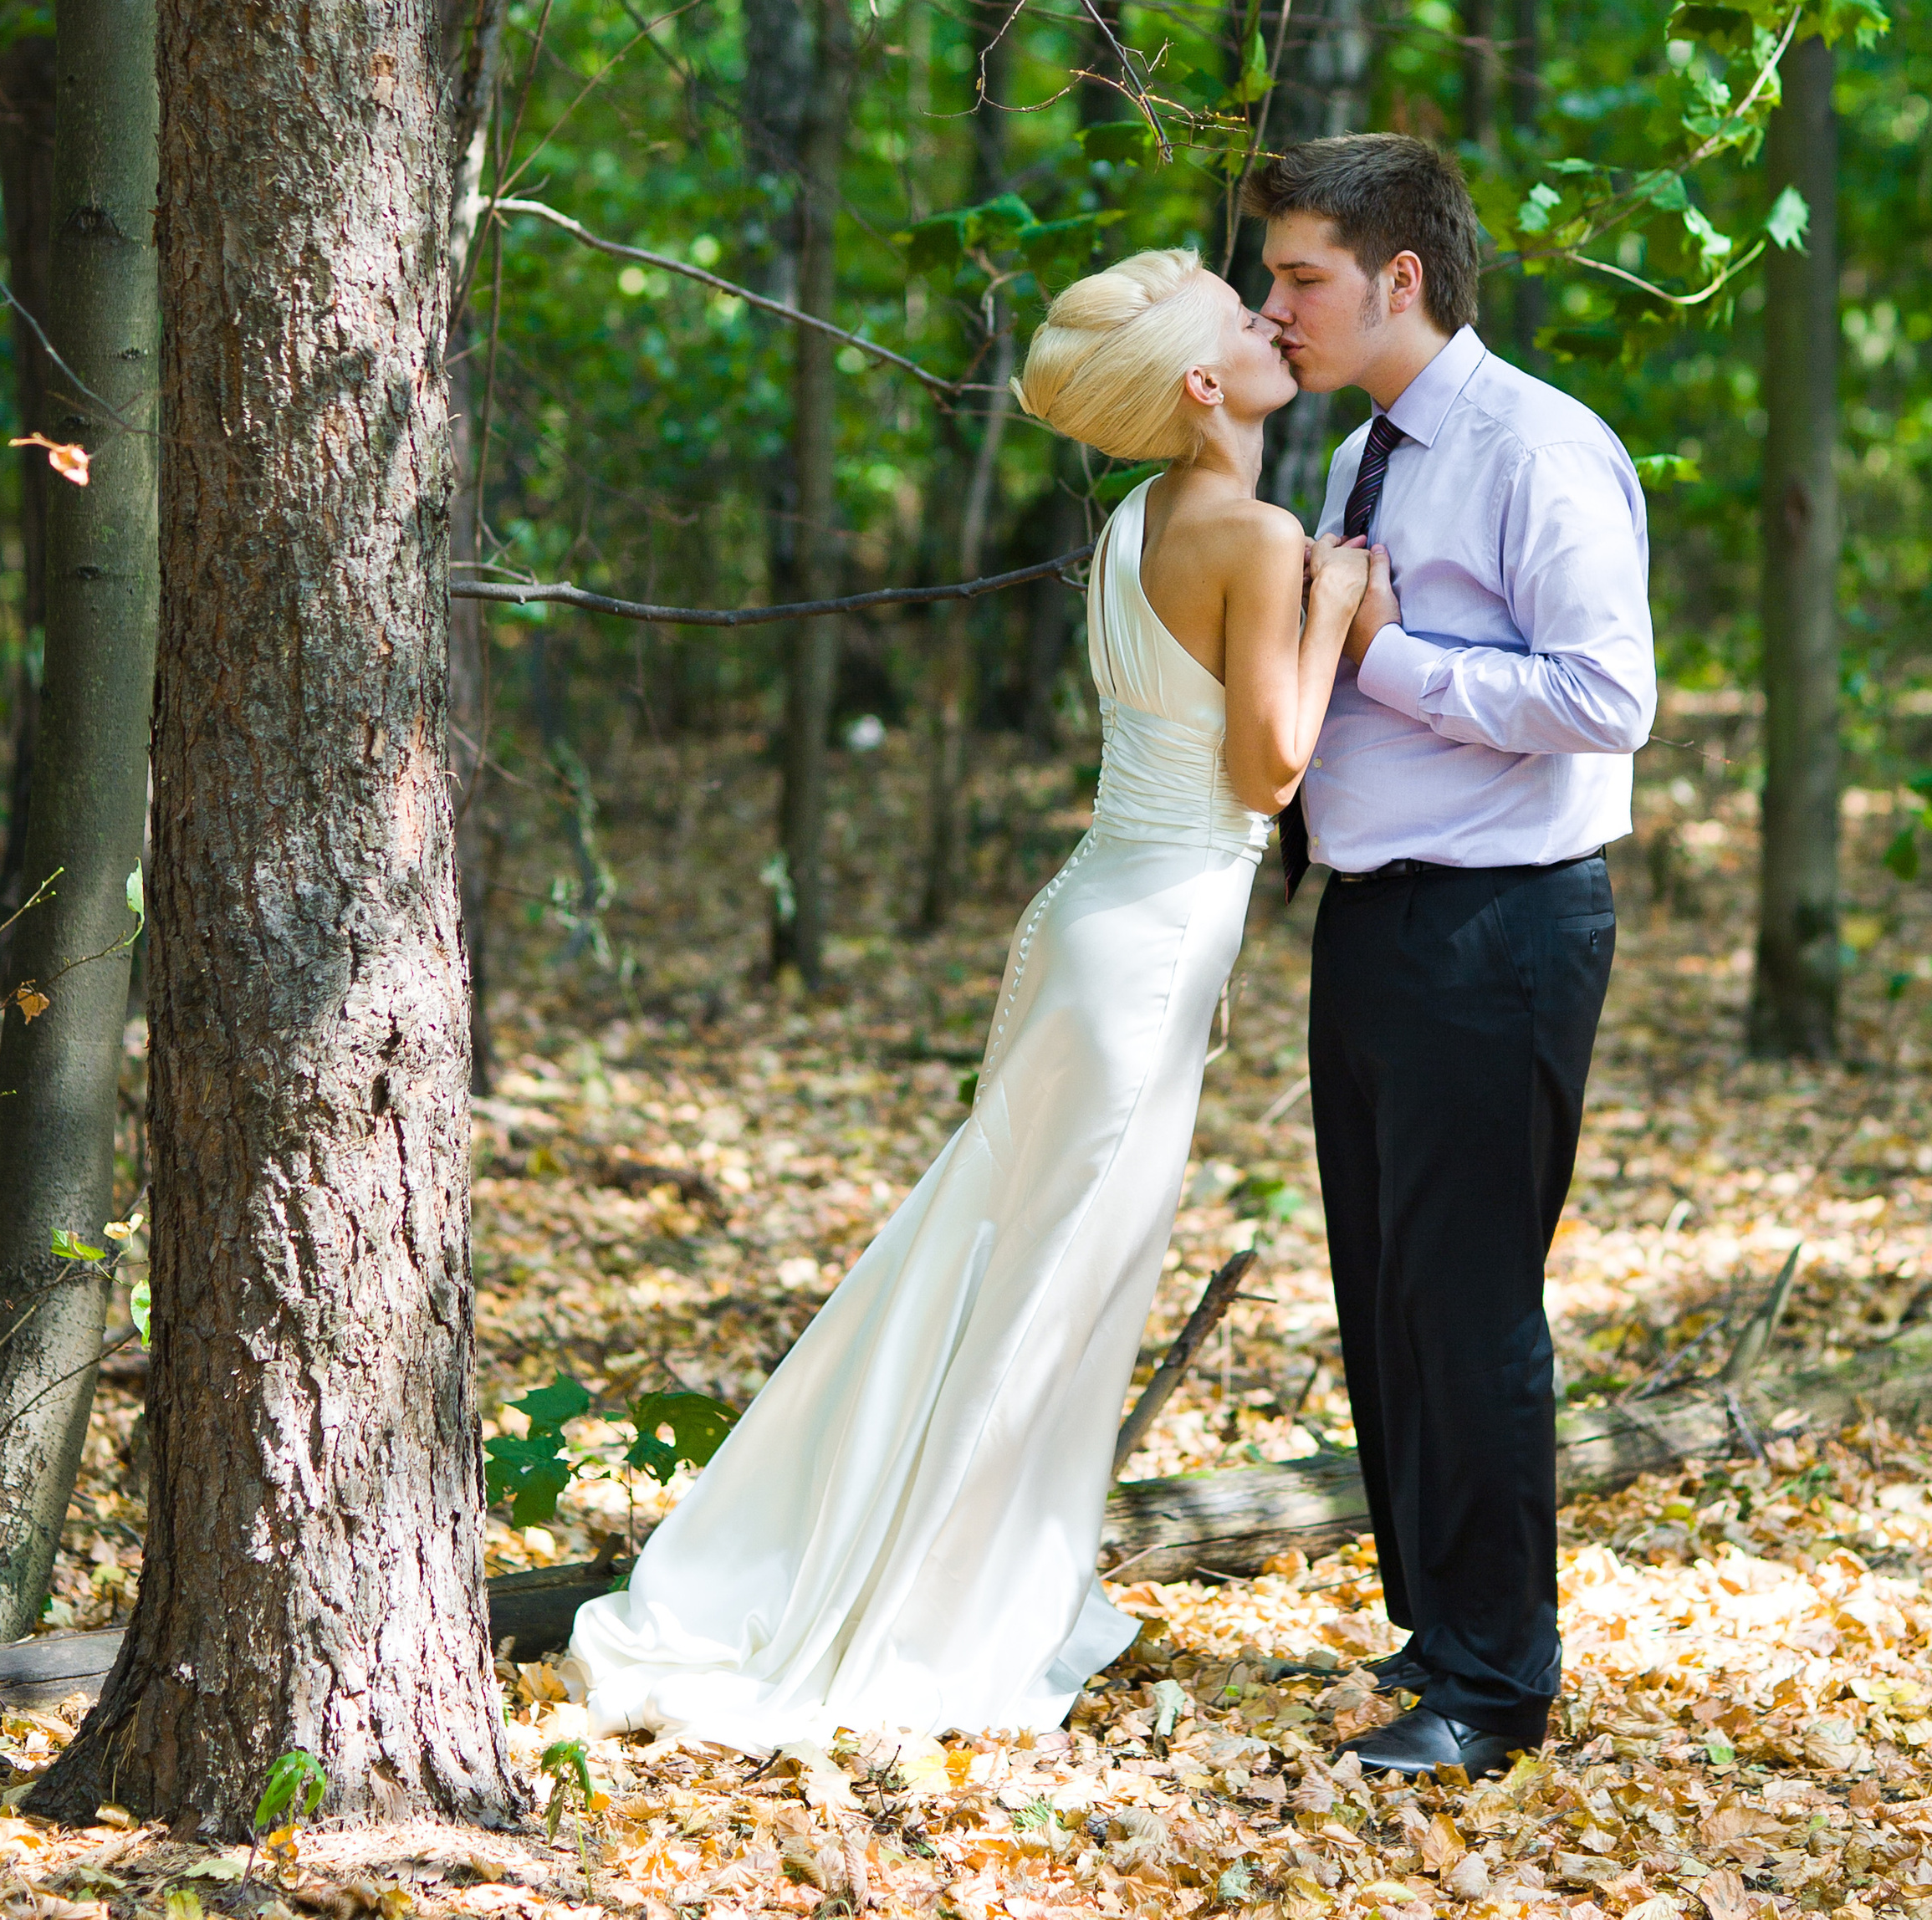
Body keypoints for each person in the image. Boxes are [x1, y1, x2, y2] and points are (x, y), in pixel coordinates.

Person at [566, 247, 1368, 1749]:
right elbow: (1267, 771)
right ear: (1207, 386)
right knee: (1051, 1287)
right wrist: (1338, 608)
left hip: (1091, 919)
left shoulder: (1137, 521)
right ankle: (934, 1617)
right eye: (1244, 316)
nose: (1272, 318)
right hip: (1144, 948)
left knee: (1001, 1261)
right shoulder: (1259, 538)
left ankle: (932, 1566)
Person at [1250, 134, 1655, 1781]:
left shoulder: (1532, 448)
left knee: (1472, 1304)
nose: (1274, 309)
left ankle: (1495, 1689)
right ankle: (1437, 1628)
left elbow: (1607, 698)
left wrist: (1389, 652)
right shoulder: (1366, 451)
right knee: (1388, 1294)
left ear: (1398, 277)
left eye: (1301, 277)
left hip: (1497, 926)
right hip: (1372, 919)